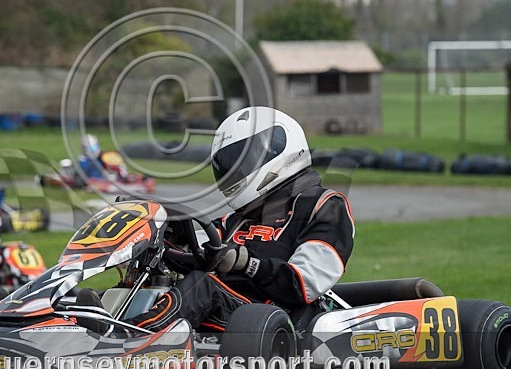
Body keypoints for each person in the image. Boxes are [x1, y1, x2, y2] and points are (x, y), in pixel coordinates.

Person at [126, 106, 355, 333]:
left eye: (242, 160)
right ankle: (99, 322)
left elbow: (304, 283)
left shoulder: (325, 206)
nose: (233, 171)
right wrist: (156, 240)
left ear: (278, 150)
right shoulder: (238, 219)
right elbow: (196, 248)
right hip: (229, 310)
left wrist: (247, 264)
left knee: (201, 285)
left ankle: (133, 337)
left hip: (277, 318)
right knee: (154, 284)